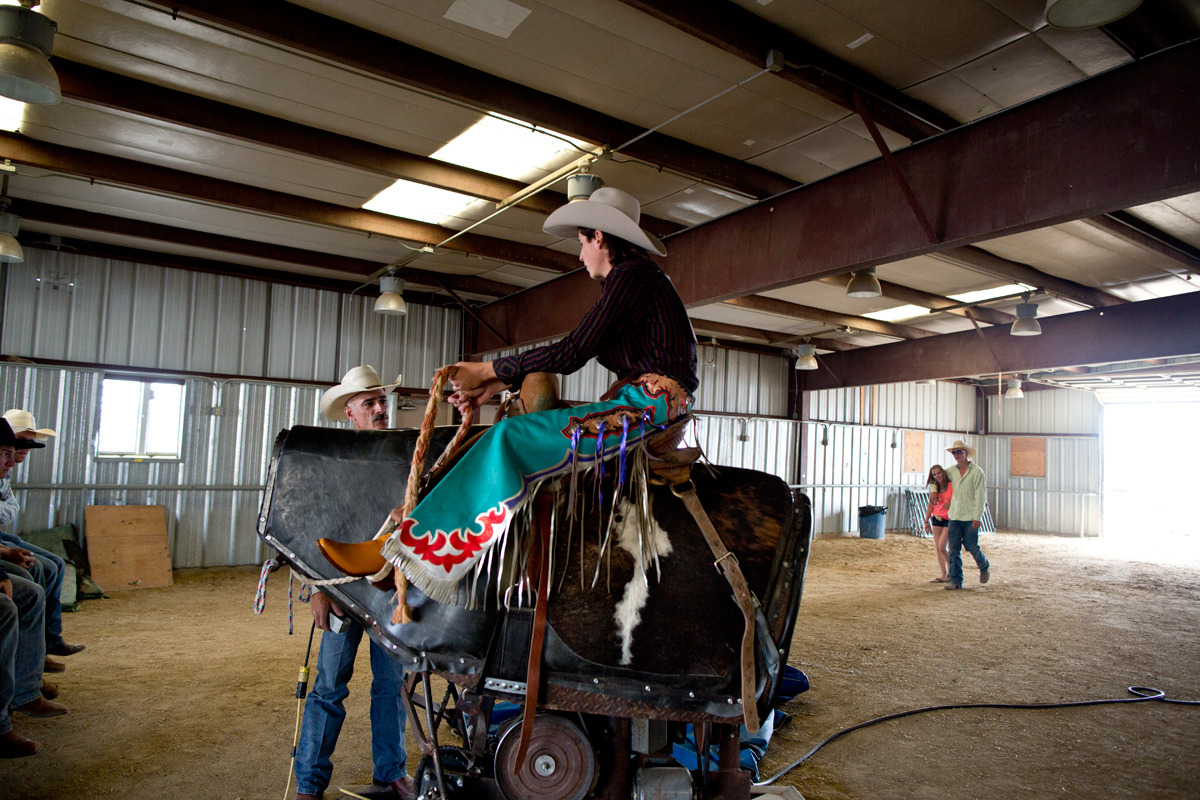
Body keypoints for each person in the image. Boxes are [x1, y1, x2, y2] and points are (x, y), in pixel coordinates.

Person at [382, 186, 698, 604]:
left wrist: (487, 368)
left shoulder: (632, 277)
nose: (580, 254)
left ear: (599, 238)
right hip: (645, 401)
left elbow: (571, 352)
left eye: (582, 242)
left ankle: (427, 550)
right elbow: (569, 352)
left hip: (648, 404)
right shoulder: (638, 280)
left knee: (510, 437)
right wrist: (496, 384)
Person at [293, 366, 413, 800]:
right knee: (328, 688)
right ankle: (309, 783)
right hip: (341, 591)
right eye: (370, 403)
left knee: (390, 685)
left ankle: (391, 771)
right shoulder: (332, 461)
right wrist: (320, 589)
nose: (381, 409)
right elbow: (311, 529)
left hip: (388, 591)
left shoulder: (405, 457)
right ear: (350, 412)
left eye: (383, 400)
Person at [0, 419, 67, 759]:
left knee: (45, 573)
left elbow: (9, 512)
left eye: (17, 450)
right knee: (15, 599)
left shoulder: (4, 479)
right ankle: (17, 696)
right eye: (8, 451)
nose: (15, 458)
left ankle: (32, 672)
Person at [0, 409, 82, 669]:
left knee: (56, 564)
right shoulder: (4, 466)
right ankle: (32, 658)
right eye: (21, 443)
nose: (22, 452)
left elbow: (10, 508)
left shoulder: (6, 471)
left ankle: (47, 641)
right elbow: (8, 511)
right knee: (38, 570)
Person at [943, 440, 991, 590]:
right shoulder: (950, 471)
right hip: (955, 515)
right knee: (954, 549)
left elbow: (980, 496)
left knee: (970, 545)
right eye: (954, 452)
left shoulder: (977, 472)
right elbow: (936, 478)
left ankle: (984, 565)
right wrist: (933, 491)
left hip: (970, 516)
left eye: (959, 452)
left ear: (966, 453)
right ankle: (956, 581)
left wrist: (978, 516)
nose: (956, 455)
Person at [923, 465, 953, 583]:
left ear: (943, 473)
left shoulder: (951, 485)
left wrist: (951, 505)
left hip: (949, 518)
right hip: (936, 518)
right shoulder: (934, 487)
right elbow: (931, 505)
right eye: (934, 474)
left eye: (939, 473)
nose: (937, 476)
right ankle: (943, 574)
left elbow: (957, 499)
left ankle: (952, 570)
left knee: (942, 546)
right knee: (938, 547)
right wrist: (926, 521)